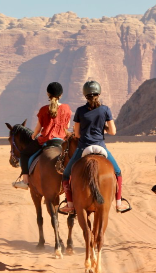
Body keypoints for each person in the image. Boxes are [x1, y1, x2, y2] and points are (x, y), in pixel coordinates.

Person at [59, 80, 130, 213]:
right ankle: (119, 203)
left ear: (85, 94)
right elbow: (113, 132)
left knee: (66, 175)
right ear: (99, 93)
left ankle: (69, 204)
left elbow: (78, 134)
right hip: (100, 147)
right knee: (118, 172)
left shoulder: (80, 110)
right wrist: (103, 127)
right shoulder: (105, 109)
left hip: (83, 148)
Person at [12, 82, 72, 189]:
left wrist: (33, 135)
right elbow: (67, 125)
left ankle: (25, 182)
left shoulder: (44, 109)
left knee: (24, 154)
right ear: (61, 95)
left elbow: (38, 128)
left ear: (48, 94)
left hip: (46, 140)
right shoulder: (66, 108)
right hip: (61, 141)